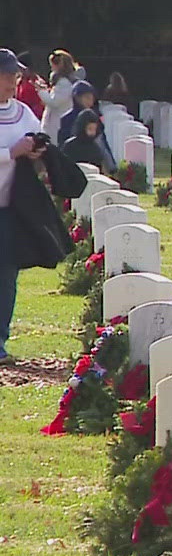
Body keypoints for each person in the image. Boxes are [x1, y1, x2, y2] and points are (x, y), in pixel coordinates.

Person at [0, 49, 50, 363]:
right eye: (6, 76)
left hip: (11, 208)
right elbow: (13, 149)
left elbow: (38, 136)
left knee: (6, 276)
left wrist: (36, 150)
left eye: (15, 76)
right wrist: (10, 152)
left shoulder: (21, 112)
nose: (12, 82)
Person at [39, 50, 80, 136]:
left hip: (58, 124)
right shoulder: (64, 82)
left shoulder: (64, 83)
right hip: (56, 122)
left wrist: (41, 91)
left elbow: (54, 102)